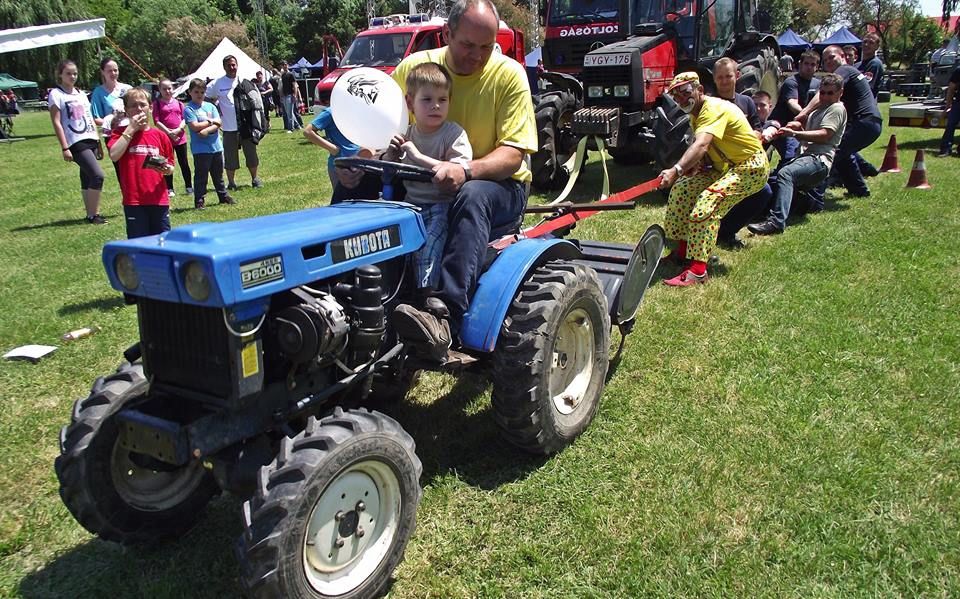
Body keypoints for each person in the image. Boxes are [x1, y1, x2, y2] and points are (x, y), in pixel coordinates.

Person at [335, 0, 537, 355]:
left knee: (471, 195)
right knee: (359, 182)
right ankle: (338, 286)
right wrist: (361, 161)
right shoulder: (415, 70)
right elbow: (381, 130)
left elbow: (512, 155)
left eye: (486, 47)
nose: (477, 56)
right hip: (421, 177)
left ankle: (444, 316)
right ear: (447, 34)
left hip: (497, 185)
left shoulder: (509, 75)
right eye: (467, 45)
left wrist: (465, 170)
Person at [657, 72, 769, 287]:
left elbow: (701, 145)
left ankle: (698, 270)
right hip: (723, 167)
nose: (681, 99)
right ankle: (682, 252)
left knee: (707, 204)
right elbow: (709, 148)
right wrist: (696, 167)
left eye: (685, 93)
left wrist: (677, 169)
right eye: (676, 96)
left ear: (699, 90)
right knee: (682, 190)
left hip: (750, 166)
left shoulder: (713, 108)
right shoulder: (696, 112)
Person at [384, 62, 473, 292]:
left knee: (429, 244)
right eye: (427, 100)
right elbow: (387, 171)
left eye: (442, 100)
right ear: (410, 102)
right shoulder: (406, 133)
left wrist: (417, 155)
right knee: (391, 243)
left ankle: (428, 295)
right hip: (409, 205)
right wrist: (391, 155)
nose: (435, 106)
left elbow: (456, 169)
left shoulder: (453, 134)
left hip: (440, 205)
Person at [748, 73, 847, 235]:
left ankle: (776, 222)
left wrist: (795, 134)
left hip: (819, 160)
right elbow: (809, 132)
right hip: (806, 158)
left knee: (786, 173)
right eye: (822, 92)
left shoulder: (836, 108)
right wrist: (795, 128)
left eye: (830, 93)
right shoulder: (819, 109)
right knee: (773, 179)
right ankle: (800, 205)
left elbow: (824, 135)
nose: (826, 96)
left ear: (840, 93)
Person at [795, 45, 881, 200]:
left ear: (843, 57)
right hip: (869, 123)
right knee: (843, 154)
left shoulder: (844, 70)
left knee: (830, 154)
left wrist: (803, 113)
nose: (829, 61)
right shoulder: (849, 72)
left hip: (864, 123)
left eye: (832, 57)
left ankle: (813, 199)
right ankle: (859, 190)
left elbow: (820, 96)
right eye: (825, 59)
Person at [108, 87, 175, 238]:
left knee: (162, 242)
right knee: (138, 245)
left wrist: (167, 169)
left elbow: (171, 167)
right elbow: (114, 155)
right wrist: (130, 129)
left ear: (150, 108)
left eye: (142, 105)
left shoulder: (160, 136)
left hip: (158, 200)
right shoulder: (120, 133)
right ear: (126, 110)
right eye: (133, 105)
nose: (139, 109)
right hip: (134, 201)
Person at [49, 59, 107, 224]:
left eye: (75, 73)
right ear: (60, 74)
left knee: (87, 176)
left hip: (90, 137)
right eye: (68, 73)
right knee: (97, 175)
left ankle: (89, 213)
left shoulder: (81, 94)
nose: (72, 76)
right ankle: (94, 214)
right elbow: (56, 122)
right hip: (75, 141)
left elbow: (89, 118)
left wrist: (98, 141)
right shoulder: (56, 94)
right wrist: (64, 147)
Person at [206, 55, 262, 190]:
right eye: (229, 65)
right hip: (228, 127)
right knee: (230, 157)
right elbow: (206, 98)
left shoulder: (244, 82)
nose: (232, 68)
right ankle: (231, 183)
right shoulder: (217, 83)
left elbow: (256, 102)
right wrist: (214, 113)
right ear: (224, 67)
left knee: (251, 154)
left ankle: (255, 179)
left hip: (245, 125)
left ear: (237, 65)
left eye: (234, 65)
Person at [185, 78, 235, 209]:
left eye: (202, 92)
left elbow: (219, 123)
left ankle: (223, 196)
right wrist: (210, 121)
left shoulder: (210, 106)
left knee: (218, 175)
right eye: (196, 92)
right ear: (190, 92)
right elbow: (195, 126)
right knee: (201, 176)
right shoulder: (189, 109)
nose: (199, 94)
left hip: (216, 147)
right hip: (201, 149)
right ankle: (199, 200)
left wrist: (207, 129)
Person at [769, 49, 821, 162]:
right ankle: (776, 179)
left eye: (813, 64)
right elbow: (792, 103)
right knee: (791, 157)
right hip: (782, 127)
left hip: (801, 127)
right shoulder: (791, 82)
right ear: (800, 64)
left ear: (817, 66)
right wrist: (807, 116)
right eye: (806, 63)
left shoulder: (818, 84)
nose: (809, 67)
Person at [90, 58, 132, 181]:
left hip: (130, 130)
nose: (113, 73)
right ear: (103, 72)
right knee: (120, 168)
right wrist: (113, 120)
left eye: (115, 70)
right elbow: (96, 118)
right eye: (109, 71)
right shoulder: (98, 92)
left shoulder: (127, 89)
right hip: (113, 135)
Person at [304, 104, 360, 188]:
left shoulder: (358, 110)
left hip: (361, 160)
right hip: (341, 164)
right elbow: (308, 132)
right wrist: (333, 149)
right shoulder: (330, 112)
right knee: (343, 199)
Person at [152, 79, 192, 197]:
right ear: (160, 90)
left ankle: (189, 186)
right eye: (164, 89)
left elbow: (185, 118)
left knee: (184, 163)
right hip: (165, 138)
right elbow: (156, 121)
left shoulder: (179, 103)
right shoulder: (157, 104)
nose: (167, 91)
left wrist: (179, 129)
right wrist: (168, 132)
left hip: (180, 138)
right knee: (167, 163)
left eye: (169, 88)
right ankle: (169, 188)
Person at [711, 57, 761, 131]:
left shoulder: (747, 102)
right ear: (714, 78)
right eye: (720, 77)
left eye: (728, 76)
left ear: (737, 75)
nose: (724, 81)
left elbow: (758, 130)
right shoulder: (709, 104)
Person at [937, 63, 960, 157]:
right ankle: (945, 149)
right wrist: (947, 106)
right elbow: (951, 88)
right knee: (950, 124)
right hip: (959, 103)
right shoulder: (959, 71)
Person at [857, 33, 884, 98]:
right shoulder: (857, 65)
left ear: (877, 46)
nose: (866, 45)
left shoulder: (875, 63)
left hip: (865, 105)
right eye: (865, 42)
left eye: (871, 42)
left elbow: (866, 87)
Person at [279, 62, 301, 133]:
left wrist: (294, 95)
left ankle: (291, 128)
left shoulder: (290, 74)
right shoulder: (283, 75)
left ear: (288, 65)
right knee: (289, 112)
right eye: (283, 65)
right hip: (284, 95)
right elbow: (282, 86)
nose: (285, 66)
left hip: (290, 95)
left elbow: (294, 85)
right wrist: (281, 95)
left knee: (290, 113)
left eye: (286, 65)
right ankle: (297, 126)